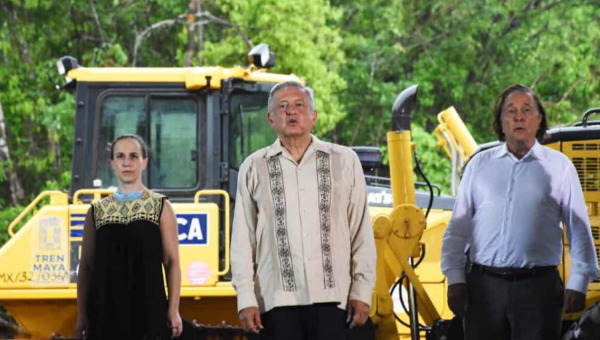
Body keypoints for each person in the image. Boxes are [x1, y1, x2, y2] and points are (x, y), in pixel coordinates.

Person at [441, 84, 599, 340]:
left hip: (539, 290)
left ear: (539, 120)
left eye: (527, 110)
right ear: (501, 122)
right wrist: (455, 279)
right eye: (510, 111)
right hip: (483, 289)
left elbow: (578, 228)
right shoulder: (479, 166)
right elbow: (457, 230)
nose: (519, 116)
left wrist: (579, 281)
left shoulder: (560, 167)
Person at [230, 80, 376, 340]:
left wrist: (362, 292)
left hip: (334, 299)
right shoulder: (253, 167)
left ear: (313, 116)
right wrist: (245, 298)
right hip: (276, 302)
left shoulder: (344, 161)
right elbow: (243, 241)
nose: (291, 111)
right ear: (270, 119)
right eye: (282, 106)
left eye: (299, 105)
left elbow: (361, 233)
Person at [75, 134, 183, 339]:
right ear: (112, 163)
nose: (127, 162)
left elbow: (172, 262)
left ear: (144, 162)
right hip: (105, 313)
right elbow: (86, 266)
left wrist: (173, 309)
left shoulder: (161, 207)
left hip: (149, 311)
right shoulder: (96, 212)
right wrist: (82, 315)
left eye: (134, 156)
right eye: (120, 156)